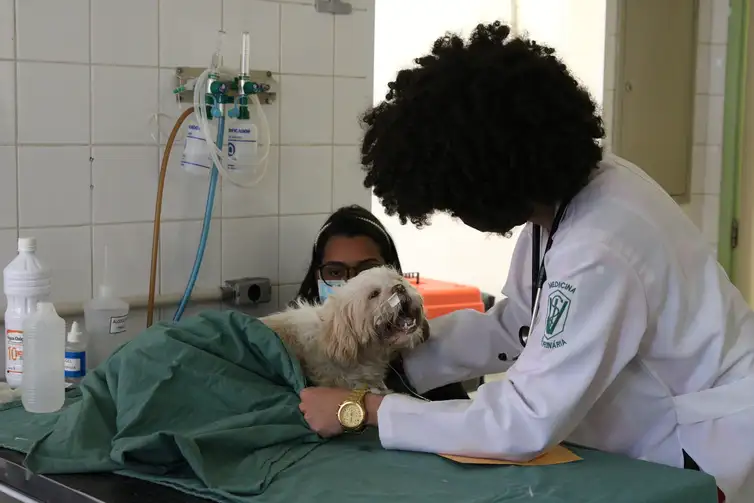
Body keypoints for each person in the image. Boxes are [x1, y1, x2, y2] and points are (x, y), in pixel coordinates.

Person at [298, 22, 754, 503]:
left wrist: (364, 408)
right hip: (644, 431)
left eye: (453, 203)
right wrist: (393, 356)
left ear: (489, 182)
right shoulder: (572, 199)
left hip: (699, 445)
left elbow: (522, 421)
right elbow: (518, 325)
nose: (458, 216)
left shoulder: (598, 245)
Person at [294, 204, 469, 402]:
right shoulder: (294, 352)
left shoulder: (425, 353)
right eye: (335, 272)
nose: (353, 285)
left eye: (367, 271)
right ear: (317, 274)